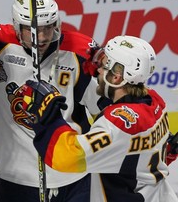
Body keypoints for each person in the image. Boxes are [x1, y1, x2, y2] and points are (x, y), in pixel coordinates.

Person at [0, 0, 110, 201]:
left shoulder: (78, 53)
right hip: (17, 181)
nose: (41, 37)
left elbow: (108, 109)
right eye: (31, 29)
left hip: (75, 178)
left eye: (47, 28)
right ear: (16, 25)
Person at [21, 35, 178, 202]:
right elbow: (139, 157)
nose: (99, 71)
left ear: (116, 77)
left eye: (104, 67)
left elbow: (66, 156)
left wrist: (47, 116)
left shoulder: (118, 124)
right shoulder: (155, 102)